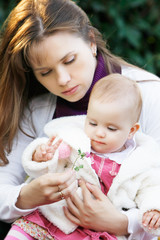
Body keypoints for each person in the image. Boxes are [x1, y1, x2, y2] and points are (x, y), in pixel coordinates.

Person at [0, 0, 160, 239]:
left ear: (91, 42)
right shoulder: (36, 111)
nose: (63, 79)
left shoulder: (149, 95)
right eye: (45, 72)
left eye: (69, 60)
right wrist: (27, 196)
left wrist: (122, 222)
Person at [5, 74, 160, 240]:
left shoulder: (139, 162)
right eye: (93, 123)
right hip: (54, 217)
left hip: (97, 230)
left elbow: (152, 189)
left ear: (131, 131)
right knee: (19, 234)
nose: (99, 133)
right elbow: (48, 169)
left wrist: (153, 209)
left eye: (111, 129)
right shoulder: (74, 142)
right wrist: (42, 156)